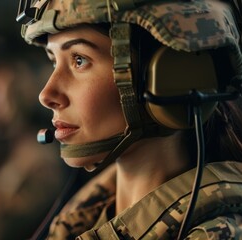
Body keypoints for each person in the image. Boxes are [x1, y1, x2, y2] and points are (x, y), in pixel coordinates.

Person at [16, 0, 242, 239]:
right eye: (53, 61)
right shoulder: (80, 221)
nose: (46, 95)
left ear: (174, 77)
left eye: (79, 60)